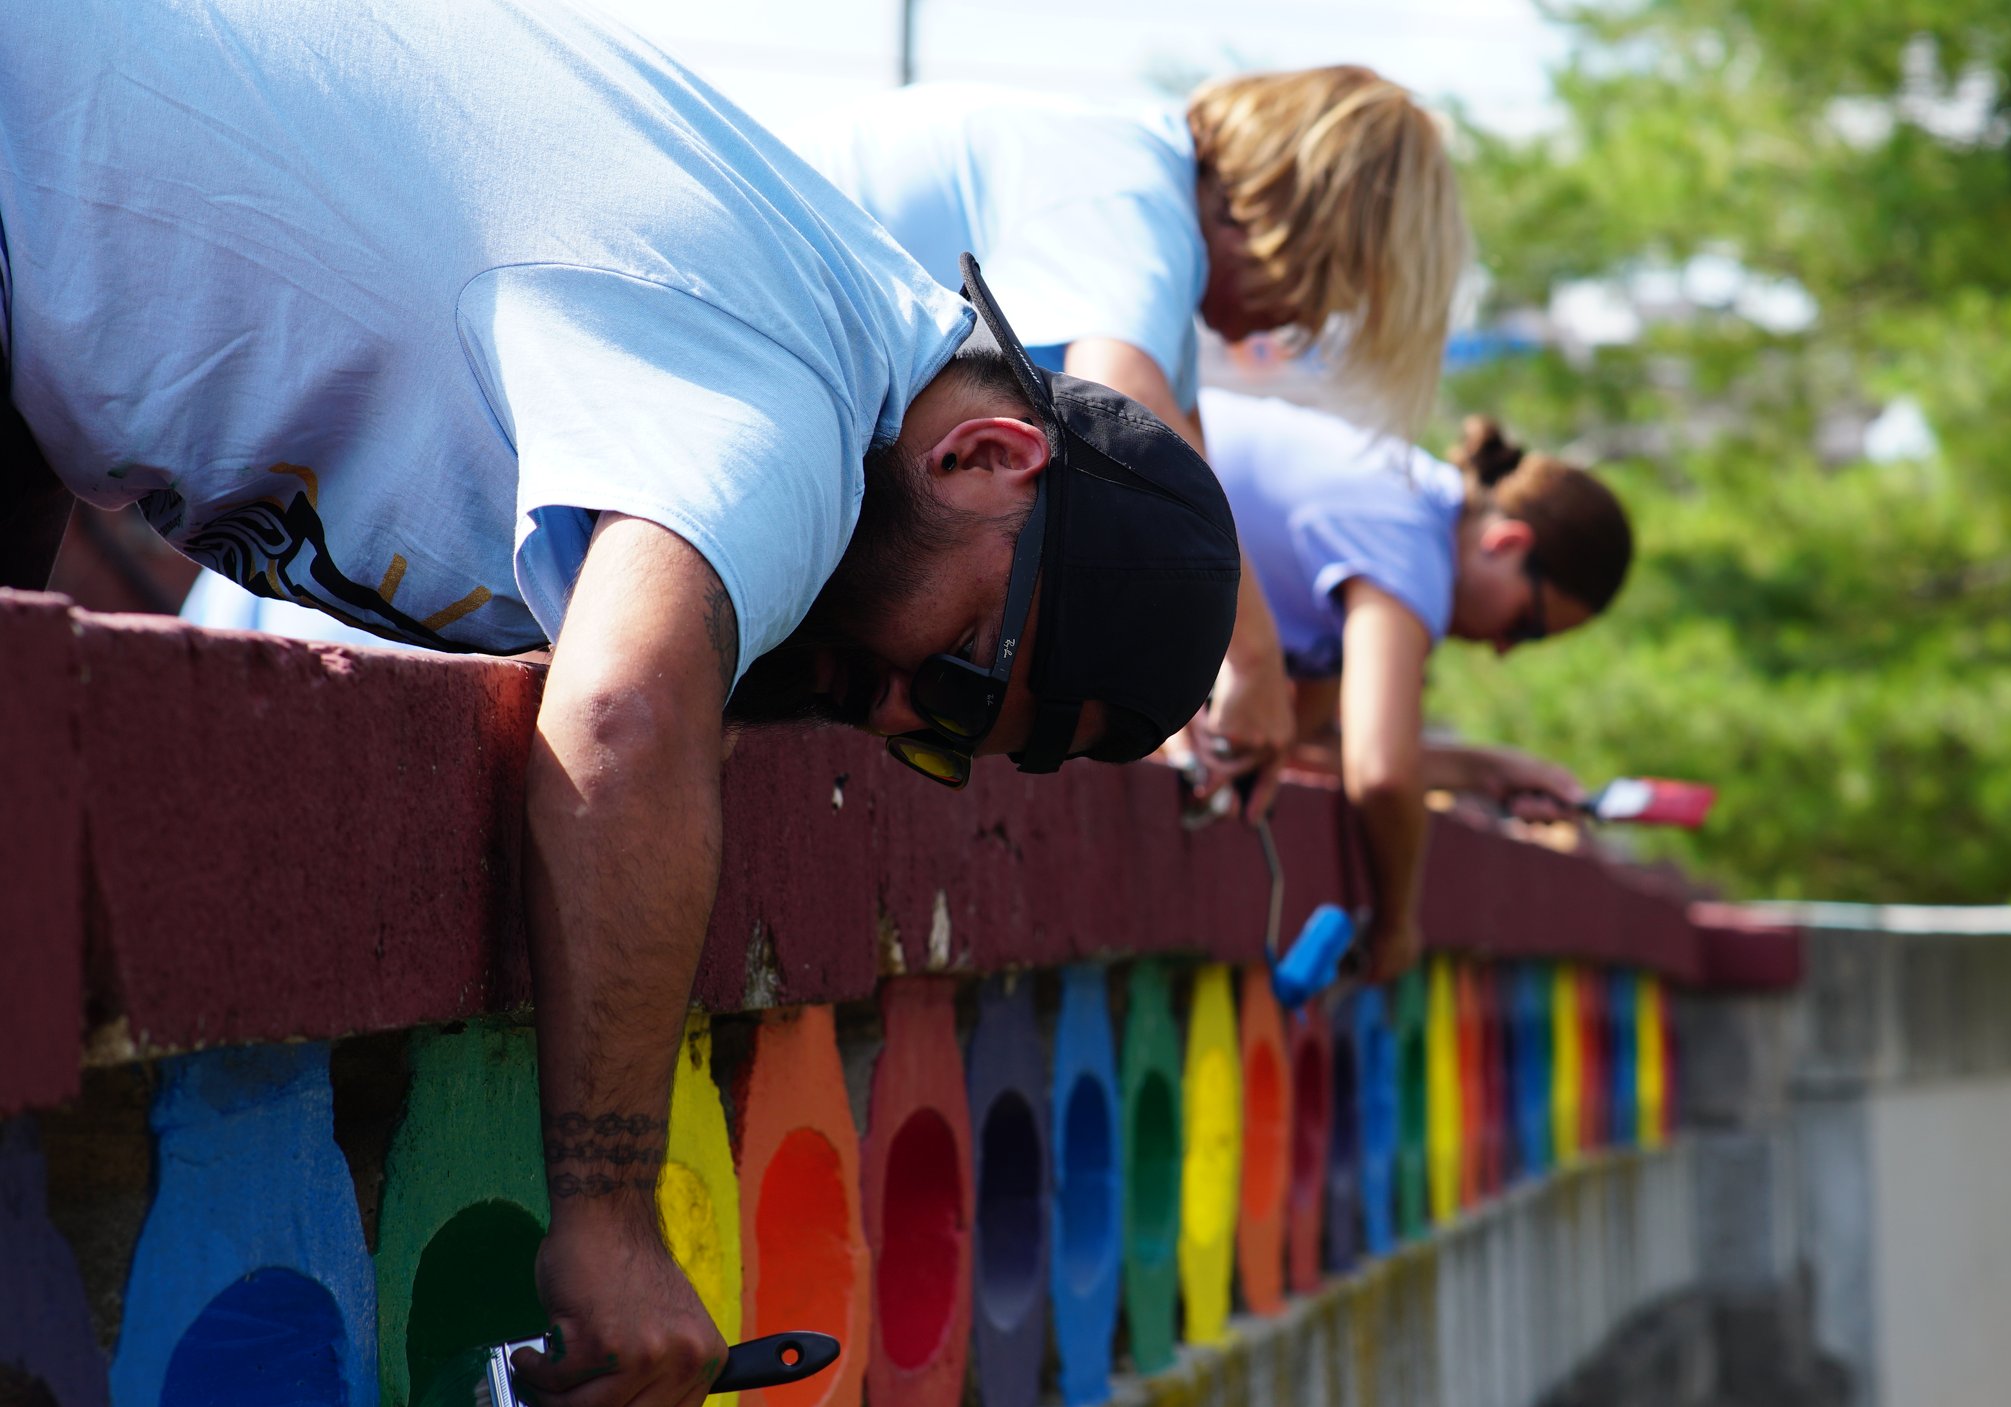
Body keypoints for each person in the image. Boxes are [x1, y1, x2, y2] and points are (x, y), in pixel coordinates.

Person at [0, 5, 1239, 1406]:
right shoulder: (792, 419)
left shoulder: (832, 347)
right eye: (953, 669)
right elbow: (624, 723)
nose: (897, 720)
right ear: (985, 454)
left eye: (952, 742)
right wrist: (610, 1220)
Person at [785, 67, 1470, 815]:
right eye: (1322, 288)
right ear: (1295, 221)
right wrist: (1255, 659)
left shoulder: (1146, 227)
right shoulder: (1133, 195)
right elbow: (1125, 402)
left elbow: (1181, 488)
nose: (1293, 326)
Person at [1197, 387, 1634, 978]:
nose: (1503, 650)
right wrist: (1398, 922)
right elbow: (1380, 775)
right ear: (1507, 544)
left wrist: (1490, 773)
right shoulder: (1410, 543)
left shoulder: (1410, 511)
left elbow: (1300, 743)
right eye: (1524, 626)